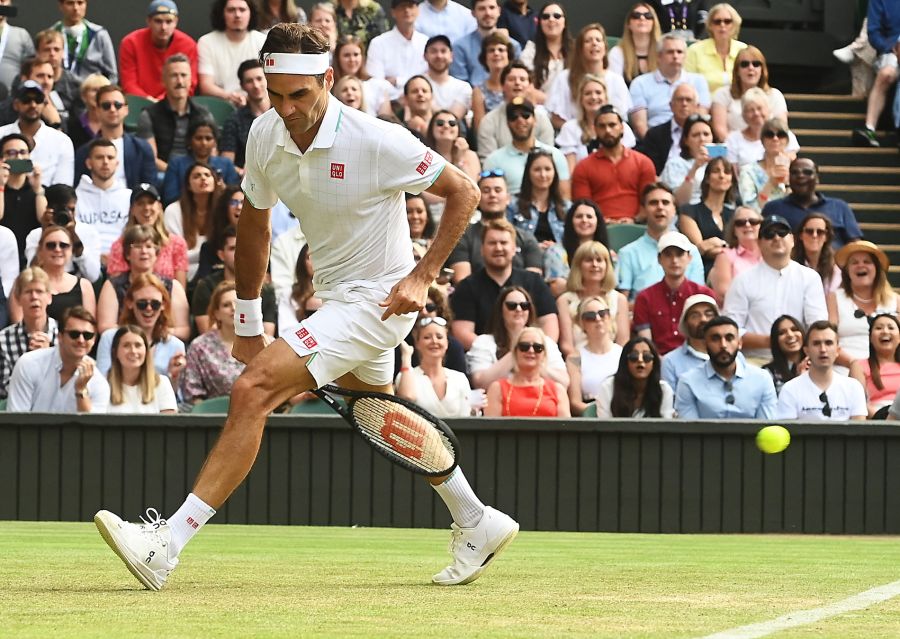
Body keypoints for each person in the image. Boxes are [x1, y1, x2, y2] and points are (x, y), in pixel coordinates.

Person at [94, 23, 518, 591]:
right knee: (379, 414)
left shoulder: (376, 138)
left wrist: (422, 275)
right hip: (339, 297)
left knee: (253, 390)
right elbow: (256, 225)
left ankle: (165, 545)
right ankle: (476, 519)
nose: (288, 108)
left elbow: (464, 191)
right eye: (277, 94)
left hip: (383, 298)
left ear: (328, 80)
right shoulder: (265, 134)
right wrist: (246, 318)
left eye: (301, 94)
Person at [723, 214, 828, 362]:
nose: (776, 238)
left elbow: (818, 325)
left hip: (799, 360)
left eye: (782, 233)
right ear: (759, 243)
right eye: (769, 234)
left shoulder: (810, 277)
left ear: (792, 239)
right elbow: (730, 330)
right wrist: (774, 341)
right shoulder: (742, 281)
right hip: (755, 361)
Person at [451, 218, 559, 348]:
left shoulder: (535, 282)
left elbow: (549, 325)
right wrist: (498, 352)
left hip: (532, 355)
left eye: (503, 242)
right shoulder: (467, 287)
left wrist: (532, 350)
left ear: (514, 249)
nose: (498, 248)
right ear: (482, 249)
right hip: (485, 360)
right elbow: (462, 332)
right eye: (492, 243)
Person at [96, 224, 190, 340]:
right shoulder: (113, 285)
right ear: (127, 254)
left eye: (149, 246)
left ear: (156, 254)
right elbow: (105, 327)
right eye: (138, 246)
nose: (144, 251)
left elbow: (183, 330)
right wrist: (140, 334)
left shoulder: (173, 286)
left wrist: (155, 333)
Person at [7, 305, 109, 413]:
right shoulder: (29, 363)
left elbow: (91, 428)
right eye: (74, 334)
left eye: (87, 335)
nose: (81, 340)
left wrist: (81, 390)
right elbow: (16, 421)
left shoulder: (99, 383)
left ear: (94, 340)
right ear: (60, 337)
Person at [446, 171, 543, 283]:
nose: (492, 195)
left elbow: (533, 284)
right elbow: (461, 281)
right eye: (486, 191)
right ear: (477, 198)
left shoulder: (527, 239)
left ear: (508, 198)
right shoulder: (461, 237)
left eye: (498, 190)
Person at [675, 315, 777, 419]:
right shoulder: (688, 381)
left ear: (739, 343)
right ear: (705, 344)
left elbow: (767, 426)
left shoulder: (762, 378)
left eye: (729, 338)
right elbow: (689, 430)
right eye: (715, 339)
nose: (723, 345)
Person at [466, 285, 567, 390]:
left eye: (524, 305)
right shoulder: (484, 342)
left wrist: (535, 362)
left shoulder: (545, 342)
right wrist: (516, 351)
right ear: (501, 310)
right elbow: (480, 383)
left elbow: (563, 383)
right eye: (511, 305)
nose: (518, 309)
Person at [616, 183, 704, 300]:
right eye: (653, 203)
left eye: (665, 202)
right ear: (643, 210)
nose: (660, 207)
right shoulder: (628, 253)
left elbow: (698, 298)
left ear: (674, 210)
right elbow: (621, 302)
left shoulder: (691, 251)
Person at [633, 231, 716, 355]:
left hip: (699, 359)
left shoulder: (704, 295)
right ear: (659, 259)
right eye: (668, 255)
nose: (674, 260)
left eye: (679, 254)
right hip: (658, 362)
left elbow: (711, 336)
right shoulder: (645, 298)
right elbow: (646, 344)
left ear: (689, 258)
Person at [570, 104, 656, 224]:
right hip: (598, 229)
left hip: (638, 227)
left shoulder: (643, 163)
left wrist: (634, 220)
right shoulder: (583, 167)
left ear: (622, 127)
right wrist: (602, 222)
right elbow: (582, 206)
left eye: (612, 125)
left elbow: (650, 200)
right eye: (602, 126)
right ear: (595, 129)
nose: (608, 131)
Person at [95, 272, 186, 382]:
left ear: (163, 305)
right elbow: (101, 385)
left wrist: (173, 376)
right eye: (142, 304)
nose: (149, 308)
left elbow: (175, 395)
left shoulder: (175, 345)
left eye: (155, 304)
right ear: (130, 303)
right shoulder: (110, 338)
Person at [827, 240, 900, 369]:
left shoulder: (895, 301)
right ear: (847, 271)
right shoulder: (834, 298)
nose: (860, 265)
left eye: (867, 262)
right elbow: (828, 341)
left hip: (888, 372)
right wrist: (854, 365)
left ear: (877, 268)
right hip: (845, 370)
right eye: (854, 262)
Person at [136, 53, 214, 174]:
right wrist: (176, 173)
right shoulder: (149, 115)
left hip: (198, 174)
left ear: (191, 80)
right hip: (164, 174)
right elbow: (151, 158)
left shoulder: (203, 114)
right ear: (163, 81)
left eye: (184, 75)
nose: (179, 81)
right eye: (174, 75)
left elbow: (212, 152)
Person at [761, 158, 863, 249]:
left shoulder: (839, 207)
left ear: (817, 178)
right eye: (795, 172)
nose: (800, 175)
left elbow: (855, 245)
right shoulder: (773, 208)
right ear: (789, 178)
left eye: (807, 172)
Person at [193, 226, 276, 336]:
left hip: (255, 351)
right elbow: (207, 332)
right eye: (233, 248)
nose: (239, 254)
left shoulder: (266, 289)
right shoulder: (205, 287)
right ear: (221, 255)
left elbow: (267, 334)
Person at [545, 23, 631, 129]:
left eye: (598, 40)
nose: (594, 44)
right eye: (588, 41)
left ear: (605, 48)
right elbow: (555, 119)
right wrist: (580, 132)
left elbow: (621, 118)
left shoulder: (616, 80)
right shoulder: (564, 78)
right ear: (580, 49)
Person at [72, 85, 158, 192]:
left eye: (117, 105)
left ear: (126, 110)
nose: (112, 110)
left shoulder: (142, 148)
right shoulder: (84, 152)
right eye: (106, 105)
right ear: (97, 110)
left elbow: (150, 189)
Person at [776, 320, 866, 421]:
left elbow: (860, 432)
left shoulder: (853, 387)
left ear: (838, 351)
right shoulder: (790, 389)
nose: (823, 349)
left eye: (828, 343)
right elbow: (788, 431)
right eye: (816, 343)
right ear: (806, 351)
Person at [627, 34, 710, 139]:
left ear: (685, 56)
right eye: (670, 52)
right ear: (659, 56)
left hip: (690, 140)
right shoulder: (640, 83)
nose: (675, 56)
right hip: (655, 140)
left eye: (679, 52)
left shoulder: (698, 81)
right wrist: (653, 146)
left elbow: (700, 118)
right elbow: (640, 125)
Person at [106, 184, 189, 288]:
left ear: (159, 207)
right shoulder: (120, 246)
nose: (146, 208)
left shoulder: (177, 244)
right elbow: (116, 287)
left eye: (151, 202)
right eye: (140, 203)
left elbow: (180, 289)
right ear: (132, 210)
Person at [557, 241, 629, 358]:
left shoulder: (619, 299)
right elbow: (566, 345)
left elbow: (623, 341)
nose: (595, 265)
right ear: (578, 266)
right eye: (589, 260)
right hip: (578, 362)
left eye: (599, 260)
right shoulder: (565, 300)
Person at [556, 74, 638, 174]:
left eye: (598, 93)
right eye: (588, 93)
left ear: (606, 98)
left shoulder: (621, 127)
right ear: (581, 99)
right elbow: (570, 171)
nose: (593, 97)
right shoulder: (570, 128)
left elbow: (628, 165)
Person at [118, 0, 199, 101]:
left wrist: (162, 102)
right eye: (158, 21)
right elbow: (129, 84)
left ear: (176, 22)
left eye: (169, 21)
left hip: (174, 104)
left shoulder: (188, 45)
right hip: (139, 105)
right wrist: (148, 101)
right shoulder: (130, 43)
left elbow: (189, 84)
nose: (163, 27)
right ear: (148, 21)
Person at [22, 183, 101, 284]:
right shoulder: (35, 235)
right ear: (48, 208)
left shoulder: (89, 233)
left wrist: (73, 235)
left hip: (77, 290)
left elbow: (93, 276)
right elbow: (31, 275)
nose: (68, 214)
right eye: (62, 210)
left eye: (71, 209)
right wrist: (45, 234)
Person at [396, 316, 474, 418]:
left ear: (447, 343)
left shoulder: (460, 378)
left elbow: (466, 417)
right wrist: (406, 357)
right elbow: (407, 397)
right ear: (418, 343)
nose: (434, 341)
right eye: (427, 337)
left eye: (439, 337)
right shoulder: (407, 376)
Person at [476, 61, 556, 160]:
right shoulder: (489, 121)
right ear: (502, 86)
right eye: (511, 79)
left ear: (530, 86)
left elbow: (549, 157)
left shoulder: (542, 120)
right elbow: (487, 160)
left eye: (522, 79)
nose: (517, 83)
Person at [484, 325, 570, 417]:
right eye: (524, 346)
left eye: (538, 348)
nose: (531, 351)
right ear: (515, 352)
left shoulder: (557, 390)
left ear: (544, 354)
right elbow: (491, 428)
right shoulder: (497, 389)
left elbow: (566, 429)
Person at [0, 81, 74, 186]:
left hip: (49, 200)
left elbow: (63, 187)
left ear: (44, 104)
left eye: (38, 100)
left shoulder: (62, 141)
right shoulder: (1, 134)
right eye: (26, 100)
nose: (33, 105)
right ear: (16, 105)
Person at [0, 268, 58, 399]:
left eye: (39, 291)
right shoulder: (3, 340)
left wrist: (48, 357)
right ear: (18, 298)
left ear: (49, 297)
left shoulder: (63, 335)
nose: (34, 297)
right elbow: (3, 390)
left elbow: (66, 386)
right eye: (28, 292)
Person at [710, 45, 787, 142]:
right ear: (737, 71)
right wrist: (738, 147)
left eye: (756, 64)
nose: (750, 68)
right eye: (744, 64)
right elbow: (720, 130)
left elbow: (781, 129)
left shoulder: (775, 96)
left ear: (762, 69)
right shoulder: (722, 94)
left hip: (769, 148)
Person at [197, 0, 266, 107]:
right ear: (222, 13)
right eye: (231, 10)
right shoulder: (206, 42)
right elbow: (206, 86)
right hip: (221, 105)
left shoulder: (262, 41)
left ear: (250, 13)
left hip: (258, 104)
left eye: (242, 10)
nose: (237, 15)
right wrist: (230, 96)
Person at [678, 156, 738, 276]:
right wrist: (729, 249)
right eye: (716, 171)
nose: (722, 176)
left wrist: (715, 243)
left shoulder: (735, 215)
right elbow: (701, 248)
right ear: (707, 179)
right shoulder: (689, 211)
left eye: (726, 172)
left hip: (733, 269)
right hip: (701, 270)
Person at [850, 1, 899, 147]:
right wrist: (890, 48)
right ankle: (869, 128)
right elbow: (874, 32)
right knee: (886, 74)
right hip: (892, 52)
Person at [26, 225, 96, 324]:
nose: (57, 249)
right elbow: (20, 321)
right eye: (51, 245)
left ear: (71, 250)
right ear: (40, 251)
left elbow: (89, 327)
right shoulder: (26, 283)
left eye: (63, 245)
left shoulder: (84, 286)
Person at [565, 295, 622, 416]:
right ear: (582, 323)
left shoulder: (622, 353)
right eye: (590, 316)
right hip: (591, 418)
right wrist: (599, 413)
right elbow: (575, 402)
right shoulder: (574, 358)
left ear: (609, 317)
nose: (597, 318)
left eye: (602, 313)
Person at [74, 139, 131, 258]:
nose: (105, 162)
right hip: (84, 260)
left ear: (117, 163)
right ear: (89, 163)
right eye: (99, 157)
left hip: (124, 260)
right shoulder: (75, 197)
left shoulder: (129, 197)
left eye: (110, 158)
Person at [164, 161, 221, 280]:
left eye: (207, 175)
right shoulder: (173, 211)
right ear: (188, 185)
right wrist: (205, 254)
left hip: (216, 269)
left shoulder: (223, 209)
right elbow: (174, 254)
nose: (203, 178)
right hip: (182, 271)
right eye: (197, 176)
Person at [507, 148, 568, 256]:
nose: (543, 175)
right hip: (525, 258)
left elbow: (574, 243)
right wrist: (534, 248)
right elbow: (507, 240)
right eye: (537, 170)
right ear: (528, 173)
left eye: (548, 169)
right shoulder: (513, 205)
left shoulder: (566, 207)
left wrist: (556, 248)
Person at [161, 120, 239, 205]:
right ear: (189, 140)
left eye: (208, 138)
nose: (203, 143)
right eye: (198, 138)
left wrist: (224, 190)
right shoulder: (176, 164)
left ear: (215, 142)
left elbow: (235, 197)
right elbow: (169, 198)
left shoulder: (226, 164)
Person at [595, 337, 674, 418]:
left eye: (646, 357)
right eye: (634, 356)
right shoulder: (608, 388)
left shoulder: (664, 390)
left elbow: (666, 426)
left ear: (654, 363)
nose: (640, 360)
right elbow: (605, 426)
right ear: (625, 362)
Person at [106, 324, 178, 414]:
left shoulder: (162, 383)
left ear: (146, 351)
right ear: (115, 352)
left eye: (138, 345)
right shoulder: (104, 384)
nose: (133, 351)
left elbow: (169, 425)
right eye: (126, 345)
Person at [365, 0, 429, 100]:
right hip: (388, 103)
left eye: (411, 6)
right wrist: (400, 98)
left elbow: (429, 79)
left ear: (417, 10)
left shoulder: (426, 43)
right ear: (393, 12)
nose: (407, 10)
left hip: (422, 100)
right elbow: (376, 83)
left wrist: (397, 81)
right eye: (402, 6)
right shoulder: (378, 43)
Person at [449, 0, 521, 87]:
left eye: (492, 8)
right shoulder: (460, 46)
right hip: (471, 97)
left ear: (499, 11)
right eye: (482, 9)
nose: (488, 13)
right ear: (473, 13)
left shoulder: (513, 45)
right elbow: (460, 85)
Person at [541, 199, 609, 291]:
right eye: (579, 216)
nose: (584, 220)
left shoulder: (607, 253)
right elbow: (556, 288)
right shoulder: (556, 252)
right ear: (570, 221)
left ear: (598, 223)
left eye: (589, 217)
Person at [0, 133, 46, 266]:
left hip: (32, 257)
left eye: (23, 152)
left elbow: (44, 220)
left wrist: (38, 189)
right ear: (2, 159)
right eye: (12, 153)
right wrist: (1, 185)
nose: (19, 157)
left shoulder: (39, 190)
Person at [635, 82, 700, 174]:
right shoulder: (654, 135)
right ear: (671, 105)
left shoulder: (706, 133)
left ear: (697, 107)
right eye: (680, 99)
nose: (684, 104)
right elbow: (652, 171)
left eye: (688, 100)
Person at [725, 88, 800, 167]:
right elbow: (732, 170)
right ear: (744, 115)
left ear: (769, 110)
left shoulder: (782, 134)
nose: (756, 113)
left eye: (759, 108)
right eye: (751, 110)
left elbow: (791, 160)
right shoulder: (733, 139)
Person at [684, 3, 747, 95]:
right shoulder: (694, 51)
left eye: (727, 21)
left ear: (734, 24)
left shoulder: (743, 50)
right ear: (710, 25)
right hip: (704, 105)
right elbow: (687, 86)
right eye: (717, 22)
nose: (722, 25)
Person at [660, 293, 718, 392]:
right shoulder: (670, 362)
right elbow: (671, 402)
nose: (703, 319)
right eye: (695, 316)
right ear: (685, 322)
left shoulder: (731, 355)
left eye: (709, 314)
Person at [220, 60, 271, 172]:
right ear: (242, 86)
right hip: (245, 180)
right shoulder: (234, 120)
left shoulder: (281, 113)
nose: (256, 85)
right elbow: (226, 163)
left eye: (259, 78)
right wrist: (244, 173)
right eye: (249, 81)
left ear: (267, 79)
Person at [50, 0, 118, 82]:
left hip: (93, 91)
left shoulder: (99, 34)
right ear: (61, 6)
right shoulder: (51, 34)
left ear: (86, 4)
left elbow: (112, 75)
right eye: (70, 3)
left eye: (80, 3)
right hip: (60, 90)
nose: (75, 8)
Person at [659, 112, 717, 206]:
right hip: (688, 210)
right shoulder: (675, 164)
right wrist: (695, 167)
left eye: (706, 134)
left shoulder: (719, 162)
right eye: (696, 135)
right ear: (686, 140)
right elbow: (679, 201)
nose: (702, 139)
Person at [708, 206, 762, 303]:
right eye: (740, 223)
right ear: (734, 230)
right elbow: (724, 293)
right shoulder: (725, 256)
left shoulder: (769, 255)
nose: (747, 225)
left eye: (753, 221)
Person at [850, 313, 900, 418]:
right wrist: (882, 417)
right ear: (870, 338)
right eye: (878, 328)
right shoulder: (859, 365)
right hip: (877, 418)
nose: (885, 331)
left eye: (891, 328)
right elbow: (857, 403)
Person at [331, 35, 393, 117]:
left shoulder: (378, 85)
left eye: (356, 55)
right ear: (337, 58)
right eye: (346, 55)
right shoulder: (329, 87)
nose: (352, 60)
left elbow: (386, 120)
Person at [737, 117, 791, 212]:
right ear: (762, 140)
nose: (775, 138)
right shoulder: (748, 171)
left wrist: (788, 185)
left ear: (787, 141)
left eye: (781, 135)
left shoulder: (796, 170)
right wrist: (770, 184)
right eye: (769, 135)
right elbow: (750, 207)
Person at [519, 2, 570, 96]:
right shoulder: (530, 51)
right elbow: (525, 86)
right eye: (545, 17)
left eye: (557, 16)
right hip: (540, 107)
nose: (551, 19)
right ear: (540, 23)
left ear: (565, 23)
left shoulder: (576, 50)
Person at [471, 33, 516, 129]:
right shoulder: (479, 91)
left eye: (501, 50)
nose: (496, 53)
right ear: (485, 58)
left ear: (509, 55)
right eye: (491, 50)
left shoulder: (519, 85)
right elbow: (480, 128)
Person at [608, 4, 661, 86]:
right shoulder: (617, 53)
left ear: (654, 23)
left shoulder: (663, 51)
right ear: (629, 24)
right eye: (636, 15)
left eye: (648, 15)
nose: (642, 18)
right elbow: (614, 87)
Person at [422, 36, 472, 123]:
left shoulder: (463, 87)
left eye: (443, 51)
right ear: (425, 56)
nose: (439, 56)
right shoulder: (417, 84)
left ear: (451, 56)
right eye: (434, 51)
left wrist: (427, 105)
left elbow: (452, 120)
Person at [425, 110, 481, 187]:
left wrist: (459, 161)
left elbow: (472, 188)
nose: (446, 126)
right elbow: (426, 194)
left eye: (452, 123)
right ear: (431, 129)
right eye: (440, 123)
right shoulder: (425, 157)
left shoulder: (470, 155)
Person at [792, 213, 842, 296]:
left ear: (826, 237)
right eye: (809, 231)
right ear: (801, 235)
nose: (814, 235)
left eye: (820, 232)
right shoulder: (790, 265)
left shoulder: (834, 270)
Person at [762, 315, 808, 396]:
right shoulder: (767, 373)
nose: (790, 335)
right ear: (775, 341)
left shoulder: (816, 367)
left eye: (794, 329)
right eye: (782, 333)